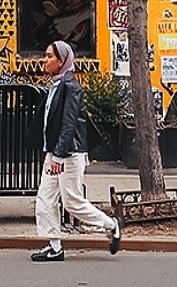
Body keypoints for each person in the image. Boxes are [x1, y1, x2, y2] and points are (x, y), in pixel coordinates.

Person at [25, 40, 122, 262]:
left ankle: (111, 225)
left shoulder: (71, 87)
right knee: (45, 199)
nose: (45, 60)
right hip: (55, 152)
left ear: (62, 61)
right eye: (46, 55)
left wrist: (59, 155)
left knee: (71, 201)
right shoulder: (56, 85)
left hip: (69, 153)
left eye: (50, 56)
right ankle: (55, 247)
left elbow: (69, 124)